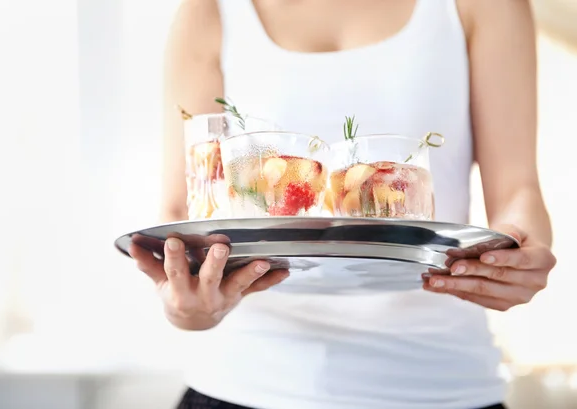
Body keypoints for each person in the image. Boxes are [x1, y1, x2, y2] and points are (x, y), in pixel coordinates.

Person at [129, 0, 557, 408]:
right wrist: (188, 309)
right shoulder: (210, 11)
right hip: (242, 382)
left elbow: (518, 188)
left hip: (441, 381)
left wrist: (520, 252)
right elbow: (182, 214)